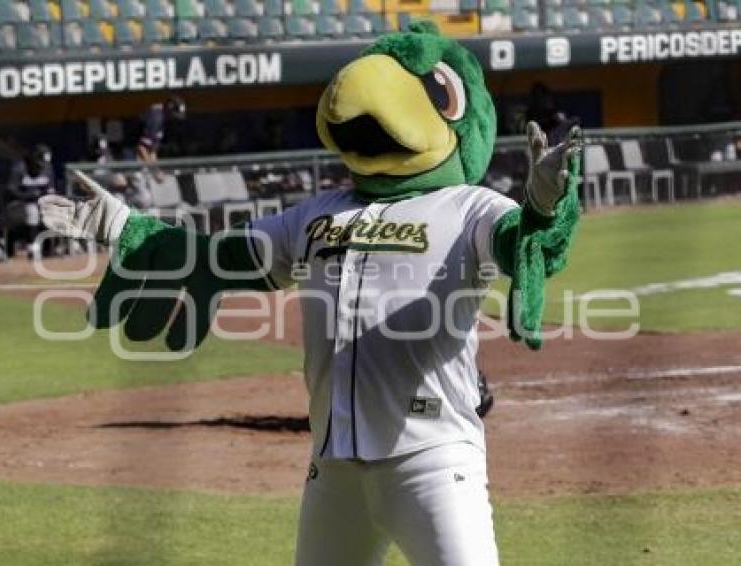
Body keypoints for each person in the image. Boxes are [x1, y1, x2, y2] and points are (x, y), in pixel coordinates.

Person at [41, 23, 581, 566]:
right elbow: (217, 257)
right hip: (334, 468)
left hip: (435, 461)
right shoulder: (318, 213)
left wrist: (542, 206)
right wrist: (128, 227)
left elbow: (525, 247)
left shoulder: (471, 207)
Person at [6, 144, 55, 258]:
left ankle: (48, 251)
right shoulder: (19, 168)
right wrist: (28, 195)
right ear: (33, 158)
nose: (41, 166)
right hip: (16, 205)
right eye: (39, 162)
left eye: (44, 163)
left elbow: (51, 190)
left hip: (38, 205)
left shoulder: (47, 169)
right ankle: (32, 248)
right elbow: (10, 192)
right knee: (32, 210)